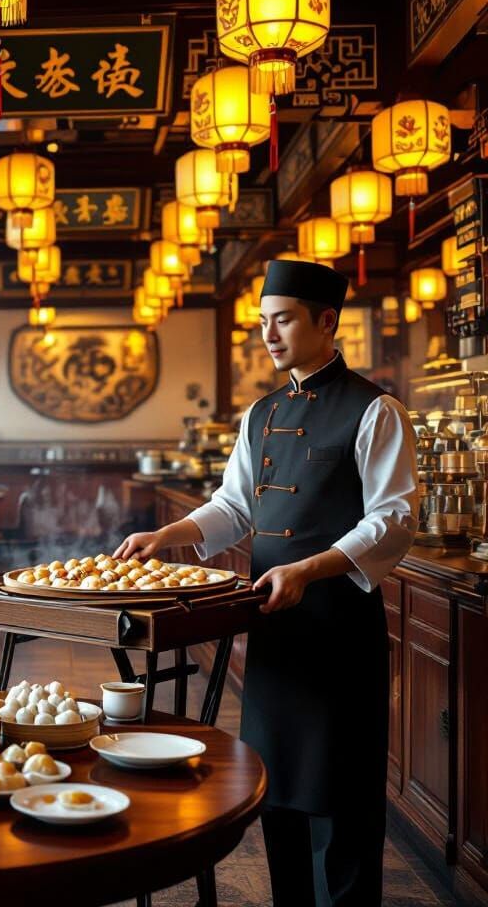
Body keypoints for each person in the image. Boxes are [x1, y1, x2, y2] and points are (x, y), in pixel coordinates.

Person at [114, 259, 418, 907]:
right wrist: (165, 537)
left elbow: (393, 519)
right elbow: (234, 507)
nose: (268, 335)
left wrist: (310, 567)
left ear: (326, 321)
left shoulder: (375, 409)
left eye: (281, 320)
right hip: (275, 629)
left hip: (340, 627)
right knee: (274, 790)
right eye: (262, 322)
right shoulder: (262, 411)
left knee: (341, 795)